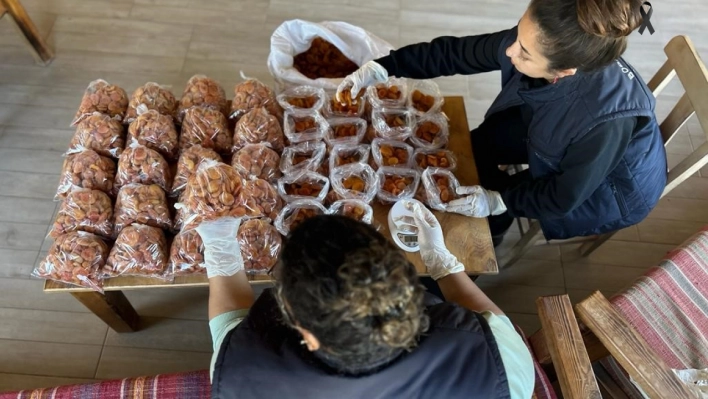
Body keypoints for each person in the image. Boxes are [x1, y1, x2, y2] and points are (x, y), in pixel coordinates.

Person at [337, 0, 667, 245]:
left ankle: (490, 239)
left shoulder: (604, 123)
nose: (510, 52)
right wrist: (386, 65)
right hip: (554, 124)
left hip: (612, 188)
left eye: (524, 52)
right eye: (519, 35)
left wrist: (500, 201)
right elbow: (457, 53)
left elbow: (562, 197)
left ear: (564, 71)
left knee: (496, 206)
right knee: (474, 146)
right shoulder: (543, 39)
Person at [199, 207, 535, 399]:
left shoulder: (237, 372)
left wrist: (218, 241)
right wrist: (442, 262)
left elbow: (230, 321)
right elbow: (488, 320)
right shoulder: (501, 362)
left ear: (308, 336)